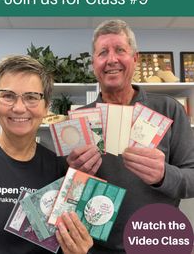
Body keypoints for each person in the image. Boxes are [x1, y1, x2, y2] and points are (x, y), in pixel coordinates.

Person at [67, 19, 194, 254]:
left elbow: (192, 178)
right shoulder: (80, 118)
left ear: (135, 58)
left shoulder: (168, 109)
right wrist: (75, 175)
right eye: (103, 52)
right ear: (94, 63)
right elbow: (70, 194)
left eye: (120, 50)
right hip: (97, 246)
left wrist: (164, 175)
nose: (111, 59)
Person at [0, 55, 93, 254]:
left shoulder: (61, 171)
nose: (19, 108)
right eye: (8, 95)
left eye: (31, 97)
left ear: (46, 106)